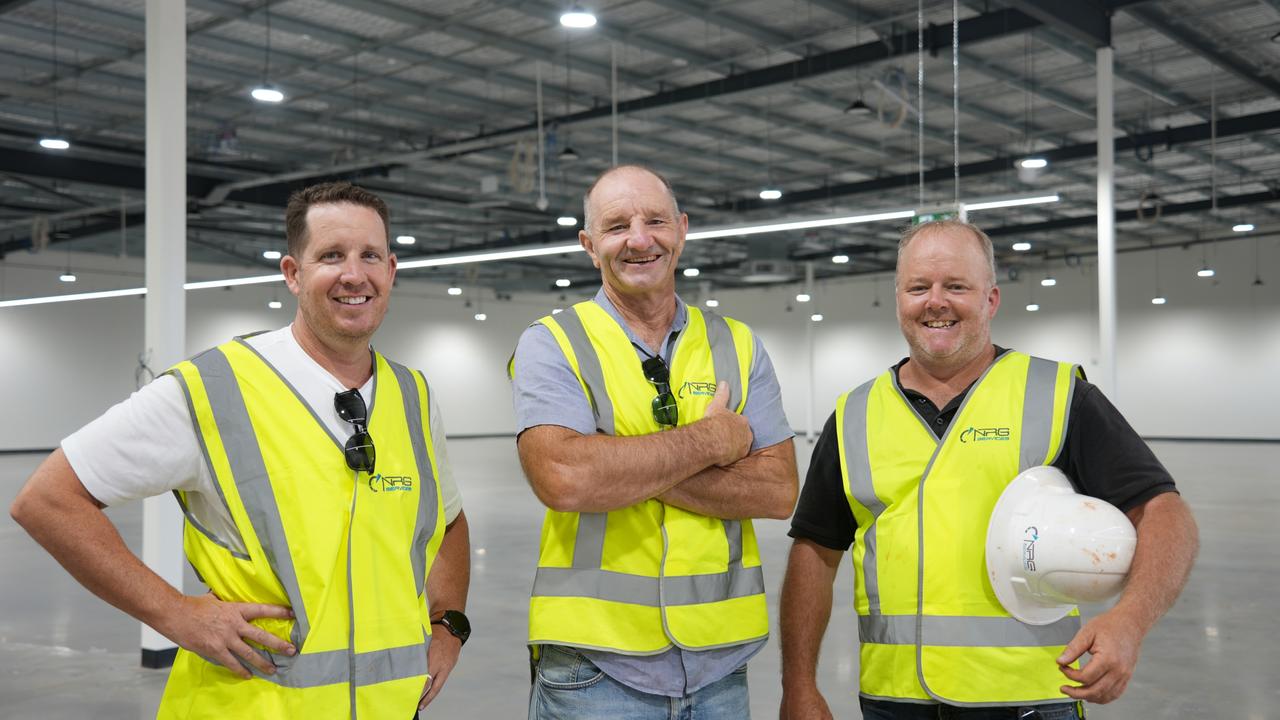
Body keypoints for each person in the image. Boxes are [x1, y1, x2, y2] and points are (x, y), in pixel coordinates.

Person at [10, 182, 472, 719]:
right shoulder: (214, 388)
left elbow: (449, 520)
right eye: (330, 256)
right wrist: (176, 613)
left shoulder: (412, 394)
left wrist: (449, 624)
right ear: (293, 274)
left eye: (370, 255)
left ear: (391, 271)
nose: (353, 274)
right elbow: (46, 500)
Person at [778, 220, 1198, 719]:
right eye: (919, 287)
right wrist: (799, 684)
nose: (936, 301)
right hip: (894, 702)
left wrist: (1129, 620)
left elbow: (1165, 513)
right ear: (899, 299)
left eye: (956, 286)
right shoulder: (854, 414)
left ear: (991, 299)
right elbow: (815, 551)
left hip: (1031, 699)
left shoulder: (1059, 395)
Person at [509, 165, 798, 719]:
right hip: (595, 667)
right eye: (617, 226)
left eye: (656, 221)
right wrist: (714, 438)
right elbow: (564, 477)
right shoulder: (553, 343)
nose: (639, 240)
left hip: (719, 666)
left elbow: (777, 490)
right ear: (589, 246)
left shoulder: (736, 344)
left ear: (682, 230)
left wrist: (615, 459)